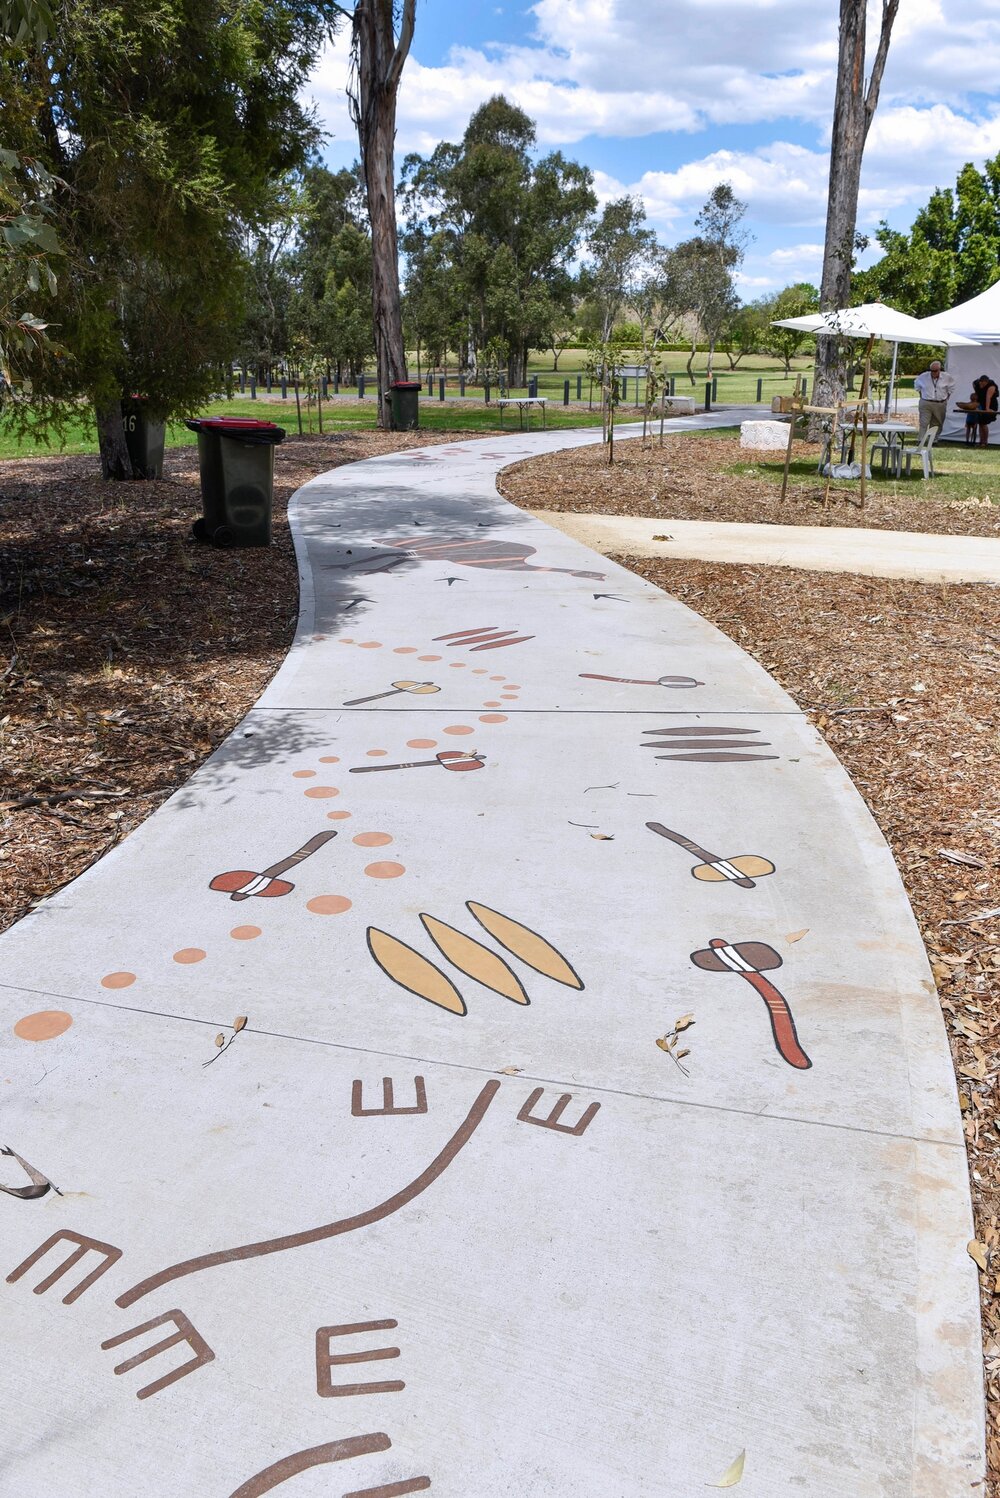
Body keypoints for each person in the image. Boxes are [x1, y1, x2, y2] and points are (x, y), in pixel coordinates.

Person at [913, 359, 956, 441]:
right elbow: (917, 386)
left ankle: (933, 440)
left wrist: (946, 399)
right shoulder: (923, 376)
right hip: (926, 402)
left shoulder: (946, 377)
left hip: (940, 403)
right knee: (924, 422)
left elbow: (951, 388)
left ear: (939, 370)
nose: (933, 373)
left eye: (935, 371)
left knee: (937, 423)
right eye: (931, 371)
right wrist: (922, 396)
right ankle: (920, 440)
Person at [966, 373, 999, 448]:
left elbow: (988, 397)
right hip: (981, 404)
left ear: (986, 382)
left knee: (984, 423)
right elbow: (976, 391)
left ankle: (985, 442)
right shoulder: (976, 383)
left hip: (991, 404)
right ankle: (981, 442)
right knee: (980, 423)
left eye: (983, 384)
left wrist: (987, 409)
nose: (981, 385)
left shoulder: (991, 386)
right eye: (980, 383)